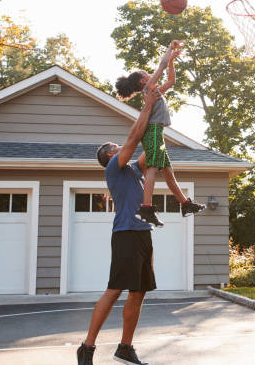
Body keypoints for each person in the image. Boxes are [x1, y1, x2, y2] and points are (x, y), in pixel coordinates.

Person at [76, 87, 163, 365]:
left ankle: (125, 347)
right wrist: (147, 105)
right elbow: (134, 136)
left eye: (117, 145)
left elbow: (150, 146)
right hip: (125, 233)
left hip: (143, 234)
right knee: (115, 290)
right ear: (110, 157)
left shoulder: (134, 170)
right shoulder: (113, 168)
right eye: (113, 147)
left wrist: (158, 107)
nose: (119, 146)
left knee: (139, 292)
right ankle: (87, 347)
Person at [115, 40, 205, 226]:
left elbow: (171, 80)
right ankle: (146, 207)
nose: (150, 74)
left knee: (169, 173)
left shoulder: (154, 91)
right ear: (143, 80)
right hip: (153, 131)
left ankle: (185, 204)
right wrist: (170, 49)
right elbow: (161, 66)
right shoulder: (149, 88)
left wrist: (172, 60)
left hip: (157, 132)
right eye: (147, 74)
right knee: (153, 169)